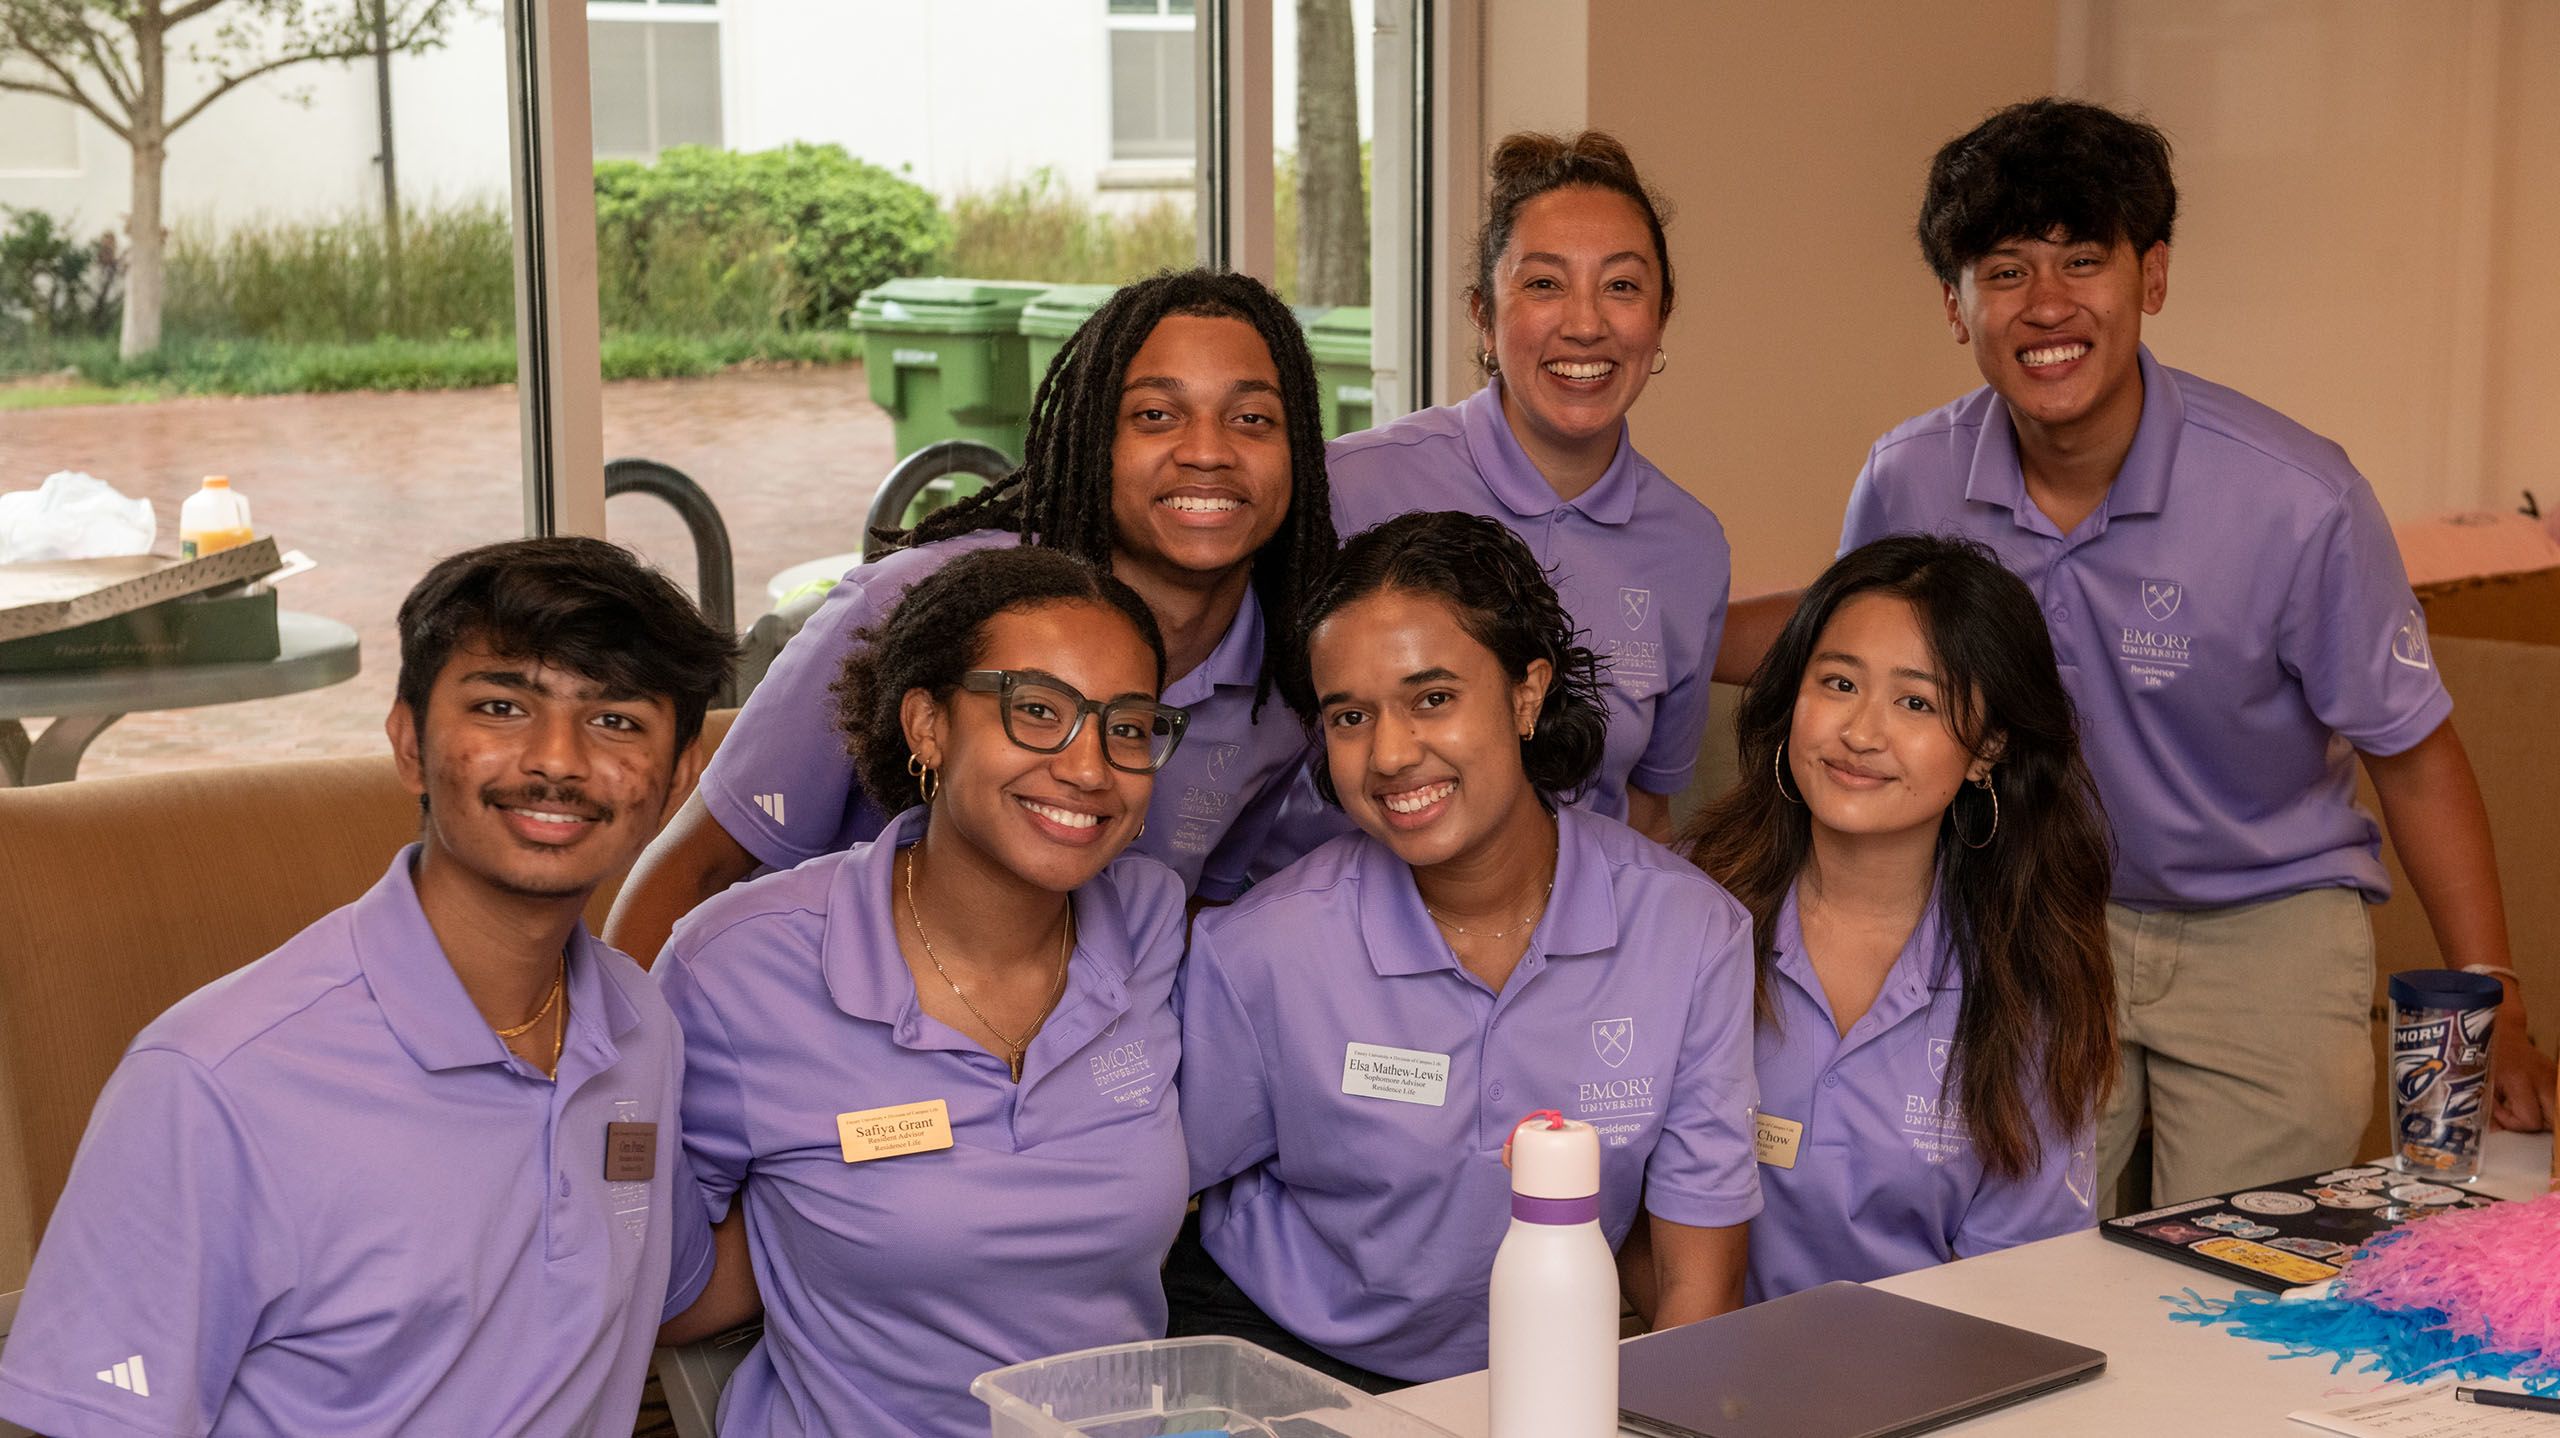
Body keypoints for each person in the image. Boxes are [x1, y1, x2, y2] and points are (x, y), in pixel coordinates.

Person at [1834, 98, 2552, 1209]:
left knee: (2244, 1287)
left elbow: (2410, 750)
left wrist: (2492, 997)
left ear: (2151, 278)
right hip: (2037, 919)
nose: (2048, 305)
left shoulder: (2295, 497)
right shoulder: (1907, 480)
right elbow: (1843, 665)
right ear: (1953, 302)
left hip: (2266, 927)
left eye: (2084, 260)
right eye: (2006, 270)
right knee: (2026, 1269)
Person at [0, 538, 735, 1437]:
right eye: (502, 706)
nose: (557, 761)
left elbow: (671, 1290)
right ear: (408, 744)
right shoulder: (213, 1082)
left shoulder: (635, 1027)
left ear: (679, 780)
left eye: (616, 720)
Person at [1175, 511, 1759, 1389]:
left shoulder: (1689, 935)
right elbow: (1145, 1206)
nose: (1391, 754)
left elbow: (1695, 1288)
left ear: (1527, 693)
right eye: (1349, 716)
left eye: (1433, 698)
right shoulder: (1259, 952)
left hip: (1551, 1375)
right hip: (1286, 1361)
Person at [606, 268, 1336, 964]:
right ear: (1091, 439)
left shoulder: (1289, 682)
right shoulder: (909, 609)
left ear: (1298, 446)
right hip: (820, 1044)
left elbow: (1185, 925)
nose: (1207, 452)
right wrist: (619, 1086)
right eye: (1154, 415)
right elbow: (696, 870)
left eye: (1251, 418)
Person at [653, 547, 1194, 1438]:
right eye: (1037, 712)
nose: (1091, 768)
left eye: (1128, 727)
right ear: (928, 726)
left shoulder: (1149, 925)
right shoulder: (741, 967)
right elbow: (646, 1287)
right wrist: (810, 1225)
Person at [1686, 534, 2116, 1302]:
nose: (1860, 734)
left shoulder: (2030, 971)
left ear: (1986, 748)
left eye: (1915, 701)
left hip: (1935, 1388)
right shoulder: (1686, 911)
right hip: (1693, 1373)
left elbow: (2025, 1292)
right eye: (1839, 683)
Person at [1322, 131, 1724, 842]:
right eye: (1543, 283)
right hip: (1350, 927)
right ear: (1483, 314)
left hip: (1576, 936)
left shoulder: (1690, 548)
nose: (1585, 323)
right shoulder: (1352, 485)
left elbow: (1647, 810)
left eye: (1622, 286)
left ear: (1661, 317)